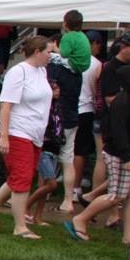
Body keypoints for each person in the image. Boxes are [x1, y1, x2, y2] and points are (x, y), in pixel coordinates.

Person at [66, 63, 130, 244]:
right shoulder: (123, 101)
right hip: (123, 155)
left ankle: (129, 234)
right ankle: (80, 219)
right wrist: (127, 156)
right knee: (117, 195)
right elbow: (118, 131)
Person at [0, 36, 53, 239]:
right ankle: (20, 226)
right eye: (48, 52)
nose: (51, 56)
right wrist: (4, 136)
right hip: (17, 131)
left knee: (21, 176)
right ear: (37, 52)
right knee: (22, 179)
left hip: (34, 134)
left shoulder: (42, 71)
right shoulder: (18, 72)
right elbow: (6, 105)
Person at [48, 35, 83, 212]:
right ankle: (68, 200)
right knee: (67, 160)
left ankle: (43, 191)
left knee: (44, 156)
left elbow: (50, 90)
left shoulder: (54, 67)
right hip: (71, 117)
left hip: (53, 119)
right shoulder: (78, 70)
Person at [25, 79, 64, 225]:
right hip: (44, 148)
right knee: (51, 183)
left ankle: (38, 216)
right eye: (53, 88)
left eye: (57, 88)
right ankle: (26, 206)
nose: (57, 91)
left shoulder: (58, 108)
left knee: (44, 187)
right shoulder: (43, 108)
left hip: (55, 149)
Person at [73, 30, 104, 204]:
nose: (99, 47)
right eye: (98, 44)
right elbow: (97, 90)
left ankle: (69, 185)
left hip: (71, 109)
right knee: (80, 151)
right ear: (92, 44)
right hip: (86, 109)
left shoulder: (70, 60)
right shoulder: (96, 64)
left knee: (69, 149)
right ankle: (76, 187)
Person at [57, 9, 91, 74]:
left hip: (74, 65)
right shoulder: (82, 35)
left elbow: (63, 54)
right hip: (84, 67)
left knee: (51, 57)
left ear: (65, 23)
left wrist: (54, 48)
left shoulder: (68, 36)